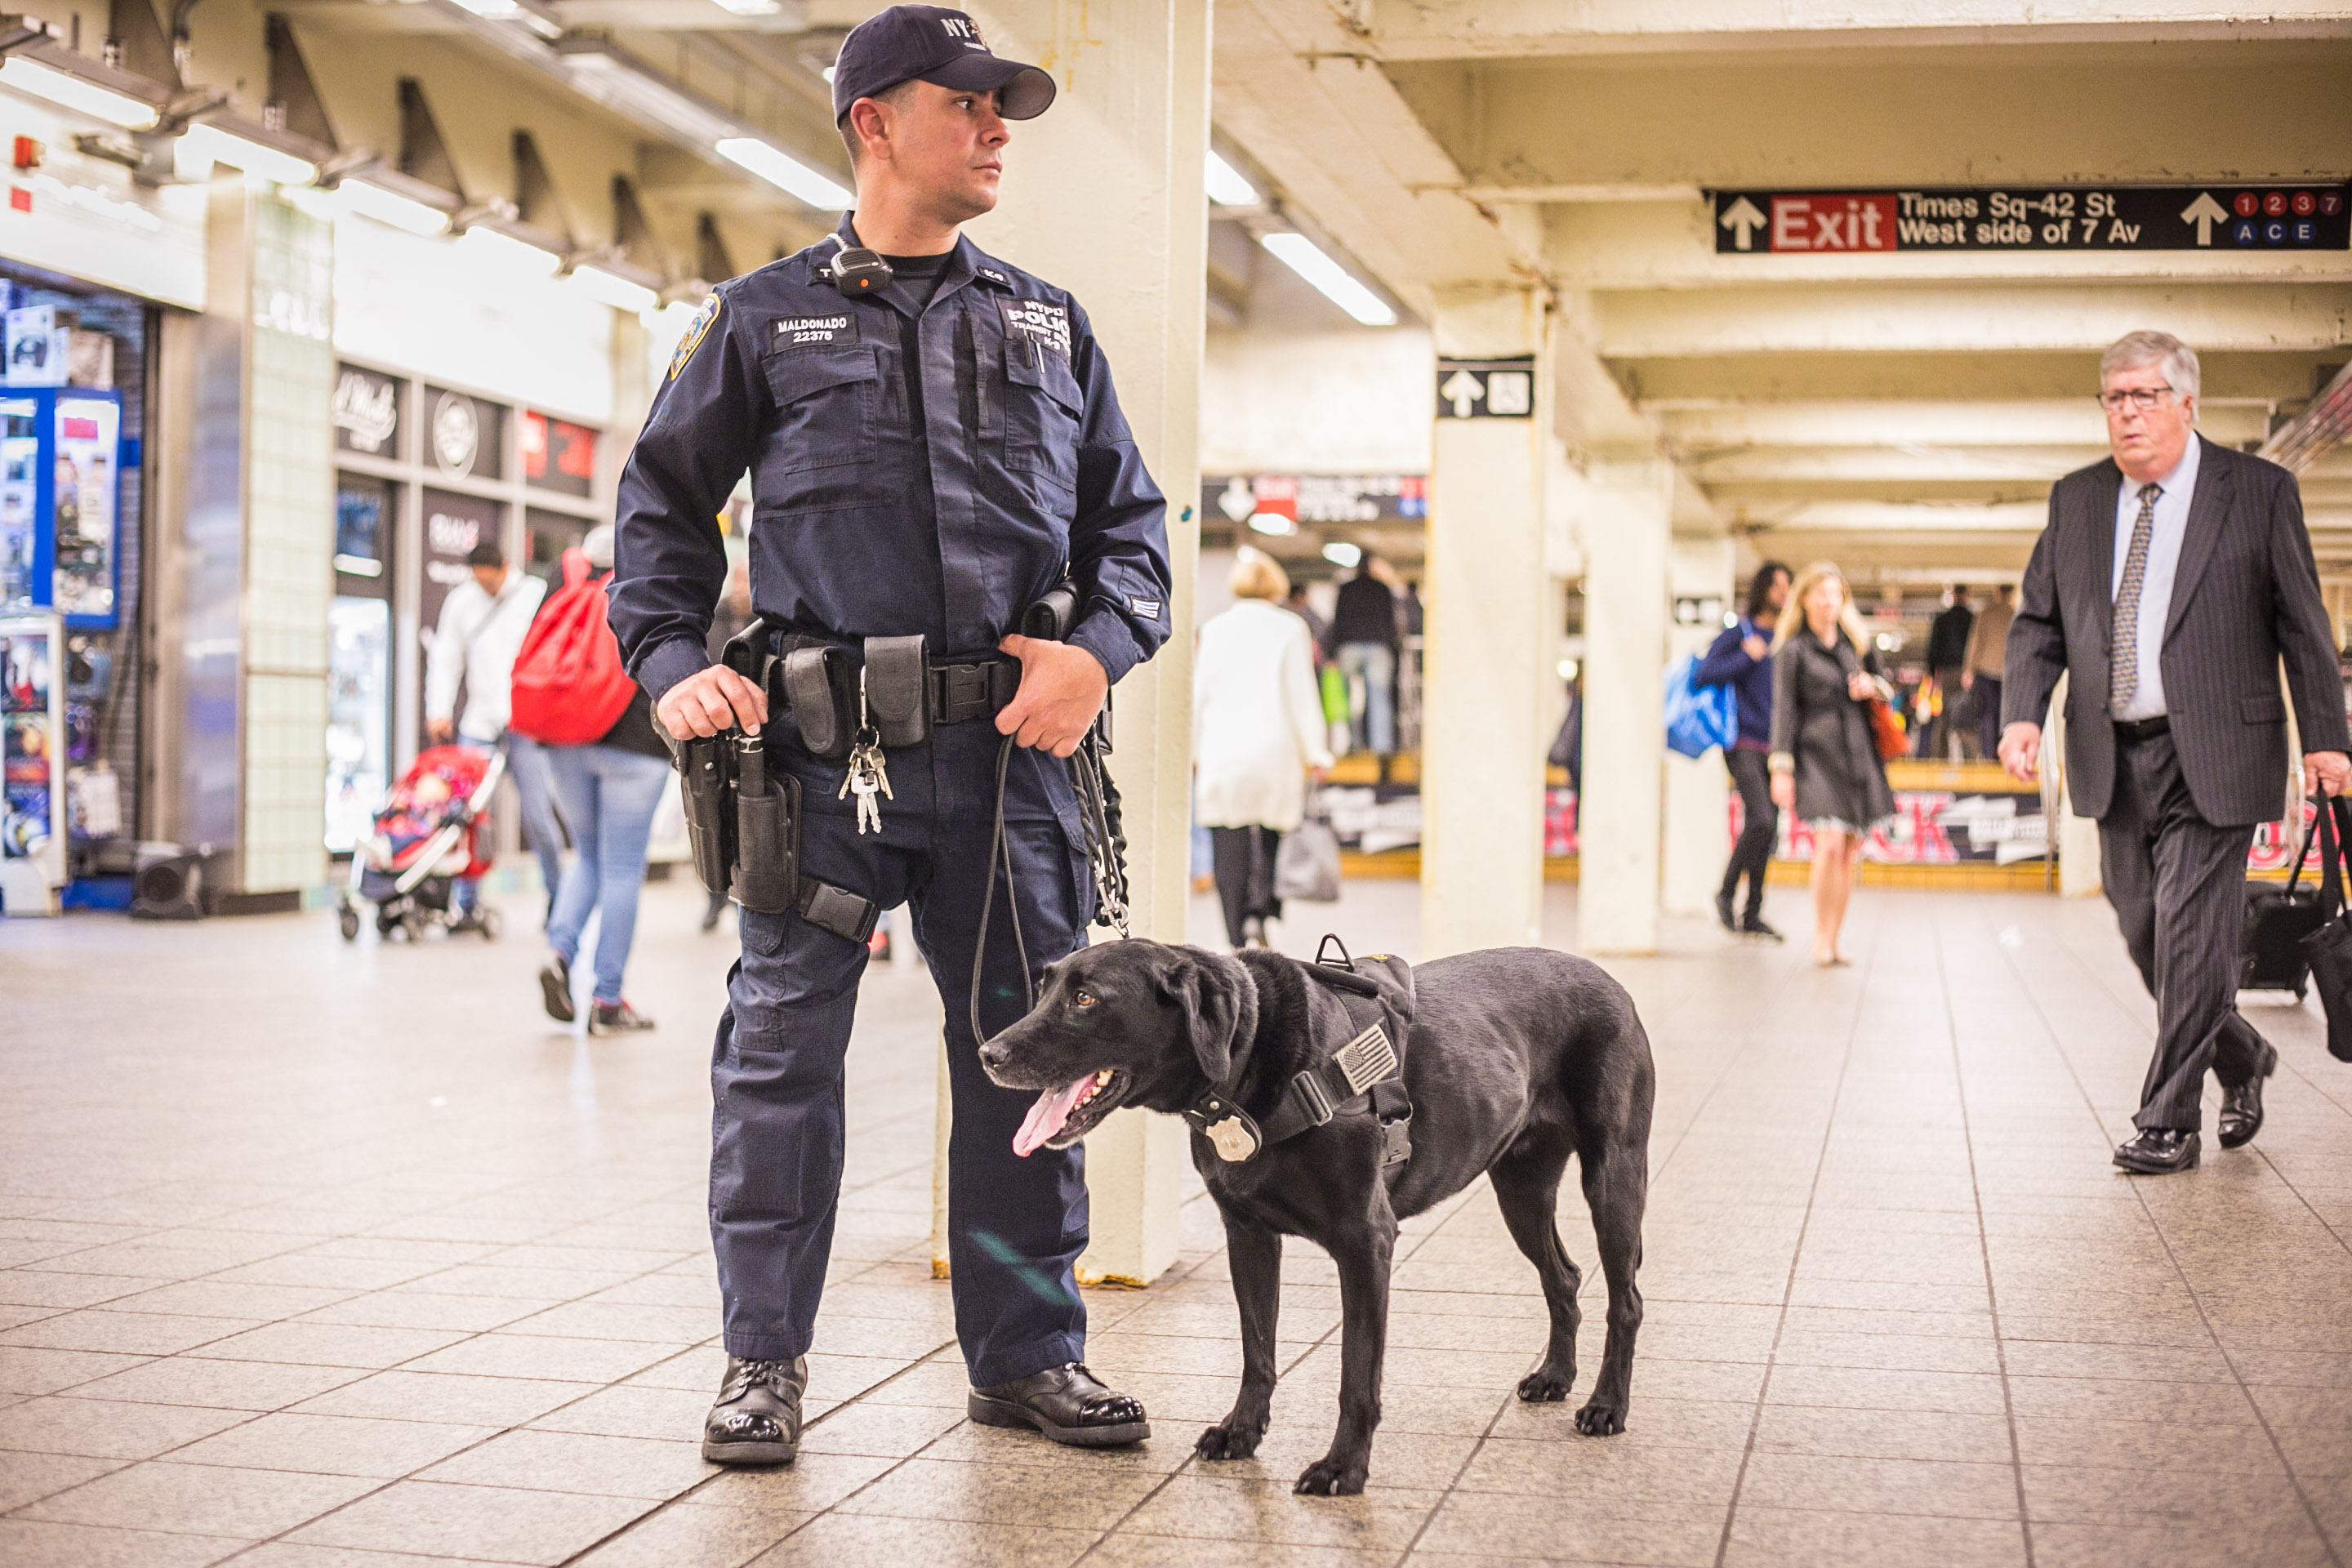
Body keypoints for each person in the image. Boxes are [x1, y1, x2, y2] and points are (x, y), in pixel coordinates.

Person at [604, 6, 1171, 1467]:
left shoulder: (1050, 325)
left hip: (1008, 772)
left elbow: (1137, 543)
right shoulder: (759, 320)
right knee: (780, 1064)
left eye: (1005, 106)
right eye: (967, 101)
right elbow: (659, 514)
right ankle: (762, 1364)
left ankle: (1030, 1357)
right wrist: (671, 663)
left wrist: (1095, 659)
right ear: (873, 121)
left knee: (1031, 1061)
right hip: (816, 771)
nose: (997, 127)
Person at [2001, 330, 2350, 1175]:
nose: (2128, 413)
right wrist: (2021, 714)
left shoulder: (2256, 491)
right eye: (2114, 398)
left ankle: (2167, 1122)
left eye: (2145, 396)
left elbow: (2303, 625)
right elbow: (2040, 620)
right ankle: (2242, 1056)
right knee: (2143, 931)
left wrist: (2329, 740)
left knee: (2192, 933)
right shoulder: (2077, 499)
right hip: (2113, 754)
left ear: (2187, 403)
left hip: (2222, 751)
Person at [532, 525, 667, 1036]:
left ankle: (559, 952)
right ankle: (607, 1000)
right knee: (621, 870)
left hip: (566, 740)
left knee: (585, 855)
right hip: (634, 746)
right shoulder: (647, 580)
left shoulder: (561, 578)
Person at [1193, 552, 1334, 948]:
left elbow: (1199, 694)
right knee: (1271, 835)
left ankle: (1236, 933)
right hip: (1275, 749)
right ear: (1276, 586)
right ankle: (1261, 909)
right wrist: (1316, 753)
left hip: (1223, 750)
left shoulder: (1216, 629)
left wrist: (1189, 752)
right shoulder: (1291, 628)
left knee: (1228, 840)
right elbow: (1301, 695)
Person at [422, 538, 559, 924]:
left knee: (538, 816)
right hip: (480, 723)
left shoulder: (533, 595)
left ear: (505, 567)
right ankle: (465, 905)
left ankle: (559, 899)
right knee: (469, 816)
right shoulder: (462, 602)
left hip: (526, 725)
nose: (485, 589)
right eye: (478, 582)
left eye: (490, 582)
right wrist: (438, 711)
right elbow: (446, 657)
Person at [1768, 563, 1893, 968]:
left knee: (1848, 850)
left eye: (1836, 594)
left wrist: (1871, 687)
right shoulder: (1793, 650)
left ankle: (1834, 939)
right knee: (1829, 843)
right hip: (1814, 755)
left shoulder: (1855, 644)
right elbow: (1783, 710)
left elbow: (1889, 689)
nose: (1829, 602)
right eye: (1821, 594)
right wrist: (1781, 768)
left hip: (1858, 753)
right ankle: (1821, 938)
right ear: (1803, 599)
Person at [1697, 560, 1791, 941]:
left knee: (1768, 831)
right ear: (1763, 589)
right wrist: (1744, 657)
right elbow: (1703, 674)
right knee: (1761, 819)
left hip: (1777, 747)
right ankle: (1725, 893)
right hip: (1742, 742)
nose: (1784, 594)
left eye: (1788, 587)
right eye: (1778, 586)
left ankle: (1752, 913)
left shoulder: (1785, 638)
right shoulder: (1742, 633)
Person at [1325, 554, 1400, 755]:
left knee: (1347, 698)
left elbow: (1337, 621)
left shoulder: (1346, 589)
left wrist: (1332, 651)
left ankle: (1352, 744)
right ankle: (1381, 747)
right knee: (1379, 698)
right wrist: (1393, 649)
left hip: (1349, 647)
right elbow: (1390, 622)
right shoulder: (1382, 589)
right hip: (1377, 647)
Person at [1962, 581, 2014, 760]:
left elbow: (1975, 642)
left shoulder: (1985, 614)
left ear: (1997, 593)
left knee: (1986, 712)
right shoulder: (2015, 615)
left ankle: (1988, 752)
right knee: (2003, 713)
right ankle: (2003, 752)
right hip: (2007, 672)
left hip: (1985, 670)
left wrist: (1968, 670)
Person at [1922, 584, 1974, 758]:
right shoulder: (1972, 619)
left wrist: (1931, 672)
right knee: (1967, 714)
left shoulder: (1943, 619)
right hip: (1966, 673)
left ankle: (1940, 756)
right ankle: (1970, 757)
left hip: (1948, 671)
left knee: (1945, 714)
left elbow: (1934, 647)